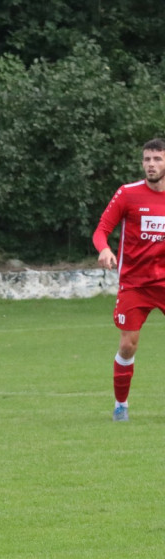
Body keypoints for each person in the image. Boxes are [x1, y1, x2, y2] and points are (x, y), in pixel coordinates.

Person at [94, 138, 165, 422]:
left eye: (157, 159)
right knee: (127, 345)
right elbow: (101, 230)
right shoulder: (127, 194)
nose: (151, 164)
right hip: (135, 283)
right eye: (147, 159)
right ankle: (121, 405)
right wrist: (104, 249)